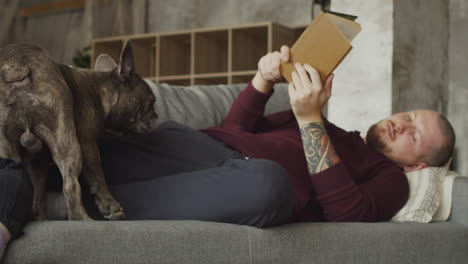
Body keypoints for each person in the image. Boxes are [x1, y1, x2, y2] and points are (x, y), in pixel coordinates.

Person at [0, 45, 455, 257]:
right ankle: (19, 192)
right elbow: (235, 129)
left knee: (267, 182)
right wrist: (262, 80)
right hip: (194, 146)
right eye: (409, 115)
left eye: (414, 134)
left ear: (417, 163)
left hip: (248, 185)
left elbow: (347, 212)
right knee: (63, 147)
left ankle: (69, 206)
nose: (403, 122)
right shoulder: (333, 127)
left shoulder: (390, 180)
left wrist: (309, 119)